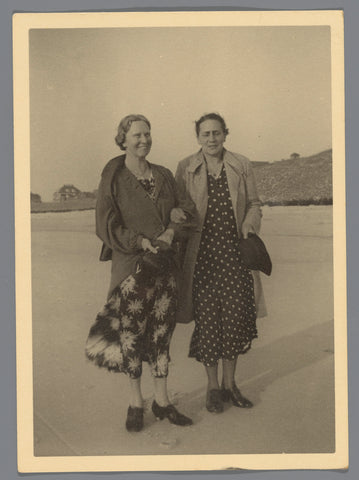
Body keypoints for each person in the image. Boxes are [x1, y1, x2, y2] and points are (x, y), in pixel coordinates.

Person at [85, 114, 196, 432]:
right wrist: (140, 241)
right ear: (122, 139)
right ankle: (136, 402)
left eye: (147, 134)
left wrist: (173, 229)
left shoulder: (163, 174)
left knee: (162, 335)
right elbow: (105, 225)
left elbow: (186, 208)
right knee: (131, 339)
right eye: (136, 135)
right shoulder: (114, 175)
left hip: (164, 268)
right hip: (132, 269)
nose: (143, 140)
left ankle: (162, 401)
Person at [175, 112, 267, 414]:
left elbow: (254, 203)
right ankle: (212, 388)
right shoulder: (186, 168)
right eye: (206, 134)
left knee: (234, 321)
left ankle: (230, 385)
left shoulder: (241, 164)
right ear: (198, 138)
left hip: (235, 256)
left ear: (225, 134)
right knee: (208, 324)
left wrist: (250, 224)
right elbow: (178, 209)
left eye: (217, 133)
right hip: (201, 260)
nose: (212, 139)